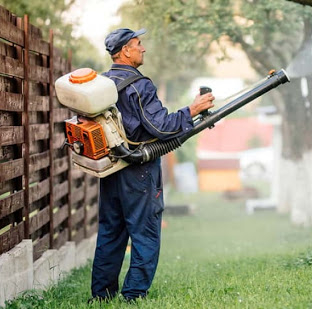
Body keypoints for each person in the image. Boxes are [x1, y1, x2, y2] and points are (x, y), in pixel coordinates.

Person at [90, 28, 215, 302]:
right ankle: (134, 295)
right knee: (145, 231)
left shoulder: (102, 84)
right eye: (138, 44)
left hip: (111, 169)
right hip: (139, 171)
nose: (143, 48)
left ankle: (101, 296)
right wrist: (192, 110)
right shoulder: (139, 85)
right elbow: (161, 127)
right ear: (125, 50)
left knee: (111, 231)